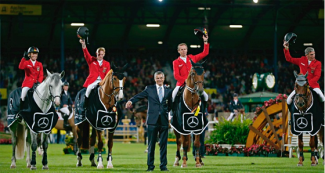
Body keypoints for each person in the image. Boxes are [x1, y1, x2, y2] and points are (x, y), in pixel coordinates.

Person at [125, 71, 172, 172]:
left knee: (163, 145)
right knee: (151, 145)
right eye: (157, 78)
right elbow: (139, 95)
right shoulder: (149, 89)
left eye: (161, 78)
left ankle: (163, 166)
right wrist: (131, 101)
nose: (159, 80)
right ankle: (150, 167)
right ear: (155, 79)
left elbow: (171, 104)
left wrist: (168, 114)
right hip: (152, 121)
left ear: (164, 79)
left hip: (163, 121)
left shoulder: (168, 90)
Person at [172, 33, 209, 104]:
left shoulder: (192, 58)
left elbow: (205, 53)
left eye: (185, 49)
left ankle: (204, 111)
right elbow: (176, 76)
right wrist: (185, 80)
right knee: (173, 96)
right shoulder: (176, 62)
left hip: (193, 83)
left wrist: (205, 41)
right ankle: (172, 112)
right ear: (178, 51)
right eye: (181, 49)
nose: (183, 51)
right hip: (181, 84)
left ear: (187, 50)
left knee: (206, 96)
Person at [79, 39, 111, 110]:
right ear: (96, 53)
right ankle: (85, 104)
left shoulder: (107, 63)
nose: (100, 56)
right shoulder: (91, 60)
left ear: (104, 54)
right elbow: (86, 54)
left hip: (103, 81)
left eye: (102, 54)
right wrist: (83, 44)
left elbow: (107, 75)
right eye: (99, 54)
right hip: (93, 80)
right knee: (89, 88)